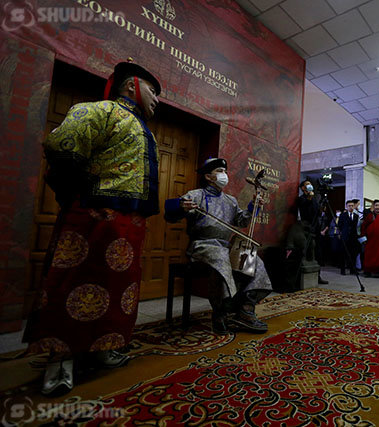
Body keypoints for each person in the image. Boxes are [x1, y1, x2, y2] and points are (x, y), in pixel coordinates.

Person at [22, 60, 162, 396]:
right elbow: (60, 147)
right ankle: (60, 357)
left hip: (130, 225)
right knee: (73, 283)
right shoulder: (99, 110)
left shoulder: (146, 130)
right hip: (92, 217)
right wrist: (83, 194)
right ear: (131, 85)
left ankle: (104, 346)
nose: (157, 99)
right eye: (152, 90)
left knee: (117, 289)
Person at [165, 158, 272, 335]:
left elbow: (241, 221)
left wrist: (253, 207)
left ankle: (246, 309)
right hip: (202, 245)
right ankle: (221, 312)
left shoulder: (230, 200)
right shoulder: (196, 195)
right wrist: (180, 206)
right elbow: (169, 214)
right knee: (221, 259)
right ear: (208, 176)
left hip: (225, 246)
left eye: (225, 171)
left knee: (253, 260)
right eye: (220, 171)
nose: (224, 175)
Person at [295, 180, 328, 284]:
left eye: (310, 184)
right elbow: (305, 211)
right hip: (306, 227)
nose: (310, 186)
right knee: (308, 250)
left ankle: (317, 275)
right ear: (303, 188)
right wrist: (309, 197)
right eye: (307, 184)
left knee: (317, 251)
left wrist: (321, 209)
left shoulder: (314, 199)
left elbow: (317, 213)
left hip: (316, 227)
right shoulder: (301, 199)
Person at [338, 200, 359, 275]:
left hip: (353, 237)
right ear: (346, 207)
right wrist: (341, 234)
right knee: (343, 254)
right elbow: (339, 225)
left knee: (353, 254)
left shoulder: (356, 216)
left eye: (352, 206)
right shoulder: (342, 215)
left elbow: (355, 227)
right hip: (345, 237)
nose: (351, 207)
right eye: (349, 206)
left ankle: (352, 270)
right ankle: (342, 270)